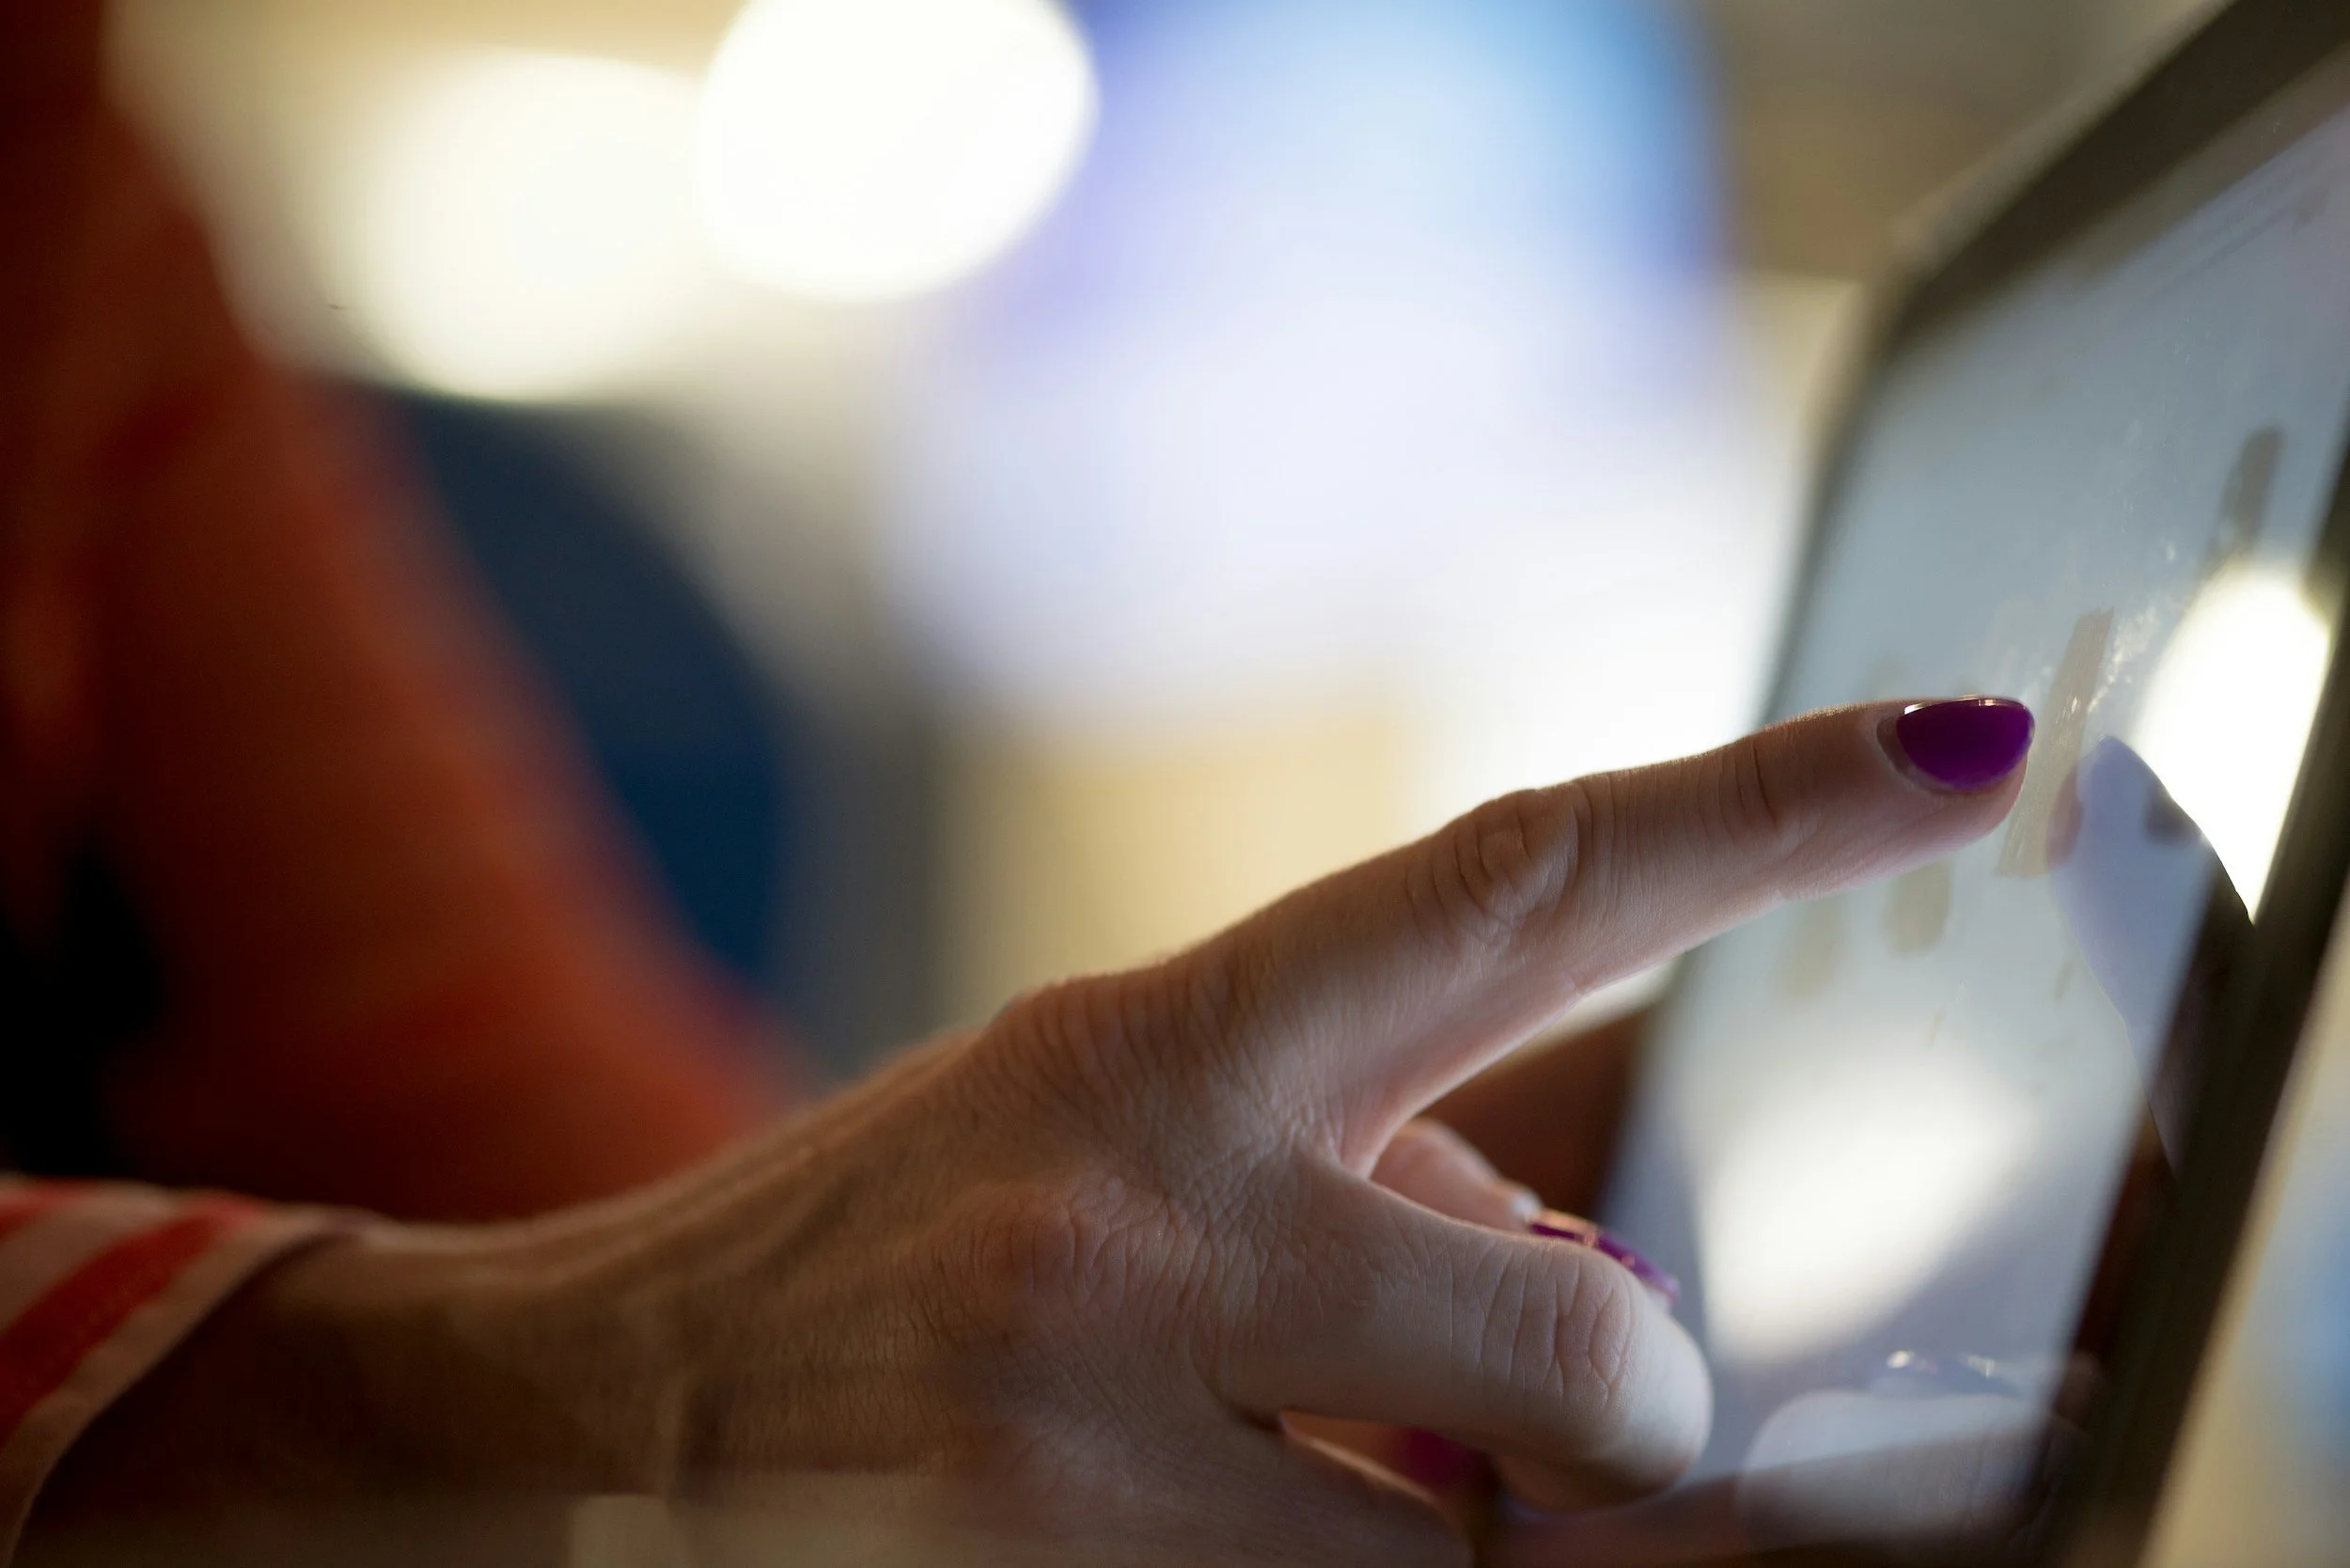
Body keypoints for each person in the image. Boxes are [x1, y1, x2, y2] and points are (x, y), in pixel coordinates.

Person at [0, 5, 2039, 1561]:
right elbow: (625, 1340)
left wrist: (1200, 1294)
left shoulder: (63, 160)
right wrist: (622, 1382)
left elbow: (580, 1198)